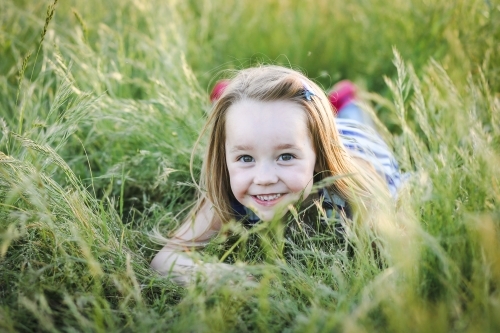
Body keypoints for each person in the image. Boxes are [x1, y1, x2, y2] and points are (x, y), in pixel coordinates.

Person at [150, 65, 401, 285]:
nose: (264, 178)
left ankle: (343, 101)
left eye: (286, 157)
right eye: (246, 158)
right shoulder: (227, 190)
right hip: (300, 130)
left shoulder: (355, 189)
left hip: (353, 142)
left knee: (353, 116)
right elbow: (165, 259)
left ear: (318, 156)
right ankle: (234, 99)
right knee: (251, 118)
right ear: (225, 159)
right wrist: (231, 279)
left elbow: (396, 261)